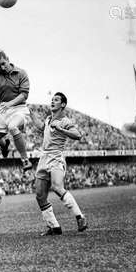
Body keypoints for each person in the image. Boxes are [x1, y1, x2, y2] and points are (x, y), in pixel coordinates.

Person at [29, 92, 88, 236]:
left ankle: (80, 217)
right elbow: (41, 127)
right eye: (52, 99)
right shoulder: (49, 119)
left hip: (56, 156)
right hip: (44, 157)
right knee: (40, 195)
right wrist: (31, 114)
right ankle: (54, 227)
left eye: (56, 100)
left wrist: (61, 129)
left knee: (56, 187)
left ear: (63, 104)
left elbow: (78, 135)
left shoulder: (65, 121)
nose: (52, 101)